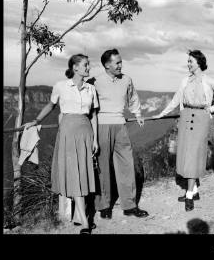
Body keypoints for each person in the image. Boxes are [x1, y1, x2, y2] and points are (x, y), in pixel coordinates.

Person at [24, 54, 99, 234]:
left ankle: (79, 216)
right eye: (86, 65)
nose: (88, 68)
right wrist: (36, 120)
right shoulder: (61, 86)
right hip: (67, 132)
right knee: (75, 174)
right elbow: (50, 105)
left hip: (85, 132)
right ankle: (85, 224)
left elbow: (94, 115)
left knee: (84, 174)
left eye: (88, 65)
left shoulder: (90, 89)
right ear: (75, 68)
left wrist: (95, 139)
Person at [153, 50, 214, 211]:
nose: (188, 64)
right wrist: (162, 113)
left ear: (199, 63)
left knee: (195, 154)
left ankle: (189, 195)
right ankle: (194, 190)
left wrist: (211, 109)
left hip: (201, 118)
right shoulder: (184, 81)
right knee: (186, 153)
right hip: (186, 116)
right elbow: (176, 100)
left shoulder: (209, 81)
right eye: (188, 61)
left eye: (190, 61)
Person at [90, 48, 149, 219]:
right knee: (102, 167)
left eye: (121, 62)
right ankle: (104, 206)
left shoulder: (127, 80)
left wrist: (137, 114)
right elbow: (86, 103)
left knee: (126, 165)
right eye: (117, 63)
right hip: (101, 126)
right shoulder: (95, 81)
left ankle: (129, 205)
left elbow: (133, 98)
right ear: (107, 65)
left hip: (120, 125)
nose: (121, 65)